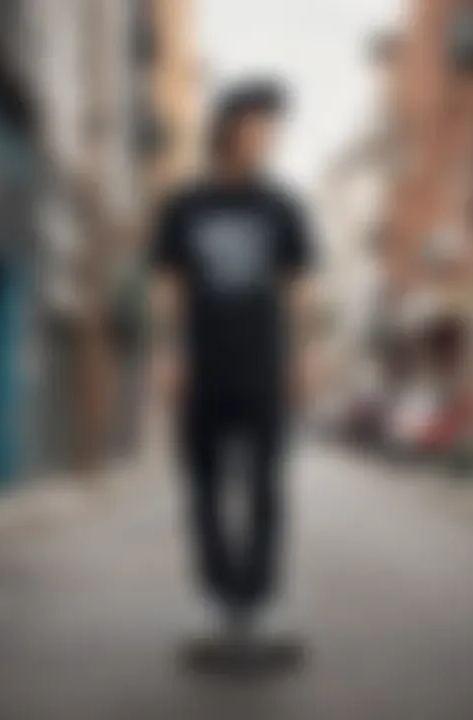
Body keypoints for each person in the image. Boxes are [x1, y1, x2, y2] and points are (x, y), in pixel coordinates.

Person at [149, 79, 317, 635]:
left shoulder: (284, 207)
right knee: (204, 484)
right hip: (204, 368)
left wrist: (301, 359)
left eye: (272, 129)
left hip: (263, 367)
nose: (267, 138)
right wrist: (169, 356)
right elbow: (170, 288)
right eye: (257, 127)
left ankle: (254, 593)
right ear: (226, 131)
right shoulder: (184, 206)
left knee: (267, 484)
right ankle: (221, 589)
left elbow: (297, 290)